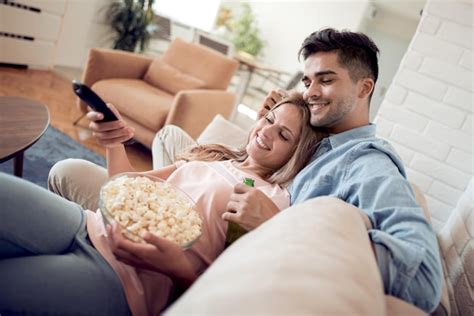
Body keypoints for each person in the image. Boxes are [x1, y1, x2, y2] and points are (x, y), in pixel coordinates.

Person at [48, 28, 443, 313]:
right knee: (171, 141)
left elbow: (424, 280)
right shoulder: (322, 137)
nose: (311, 91)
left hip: (210, 246)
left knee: (81, 172)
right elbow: (265, 155)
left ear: (364, 88)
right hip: (214, 188)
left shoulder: (367, 163)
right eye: (307, 81)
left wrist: (278, 225)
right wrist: (274, 119)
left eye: (326, 80)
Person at [0, 93, 325, 315]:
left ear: (297, 154)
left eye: (283, 135)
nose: (266, 132)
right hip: (89, 224)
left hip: (125, 282)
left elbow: (226, 285)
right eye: (268, 119)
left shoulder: (268, 201)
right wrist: (115, 142)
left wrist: (179, 269)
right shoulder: (218, 156)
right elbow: (128, 187)